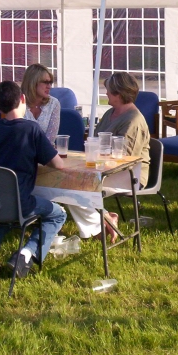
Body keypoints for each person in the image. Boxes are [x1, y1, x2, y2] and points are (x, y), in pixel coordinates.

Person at [0, 81, 66, 278]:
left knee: (5, 212)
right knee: (58, 215)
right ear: (23, 99)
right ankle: (25, 255)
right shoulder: (31, 129)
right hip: (20, 201)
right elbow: (58, 164)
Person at [69, 72, 151, 243]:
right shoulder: (110, 113)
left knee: (74, 185)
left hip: (129, 175)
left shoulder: (133, 120)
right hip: (101, 167)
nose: (105, 93)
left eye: (108, 90)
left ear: (118, 94)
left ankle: (101, 224)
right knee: (67, 184)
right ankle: (104, 219)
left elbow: (126, 160)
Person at [21, 63, 61, 143]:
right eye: (46, 82)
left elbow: (50, 139)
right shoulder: (17, 102)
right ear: (33, 82)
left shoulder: (54, 104)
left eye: (50, 83)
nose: (49, 86)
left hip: (45, 150)